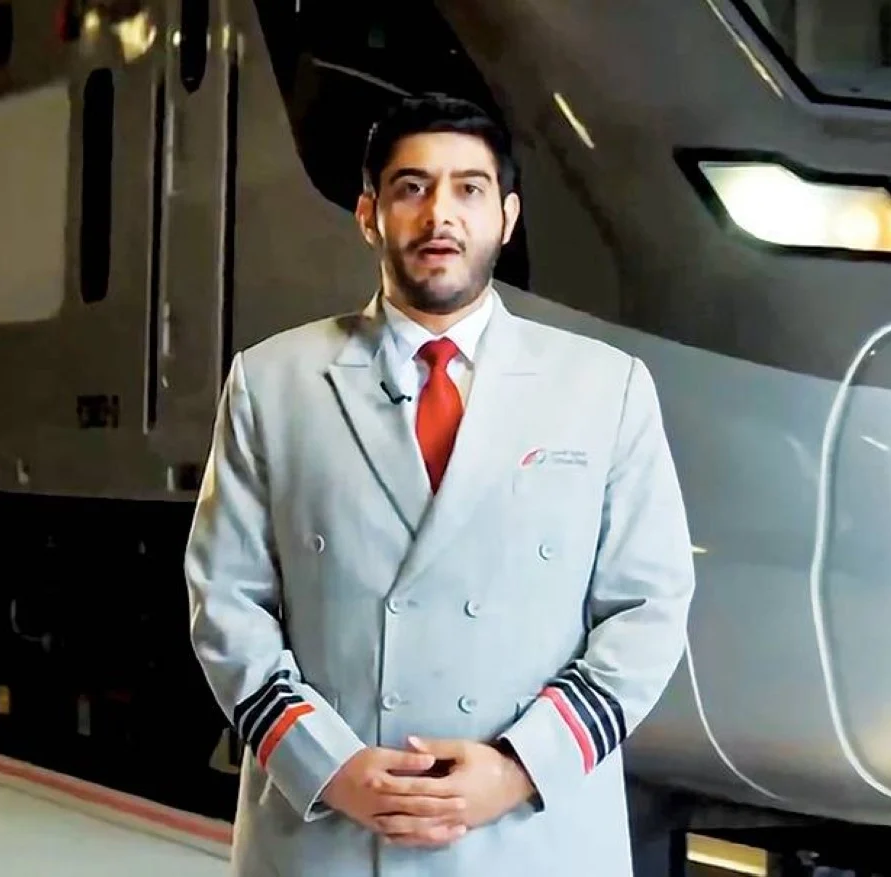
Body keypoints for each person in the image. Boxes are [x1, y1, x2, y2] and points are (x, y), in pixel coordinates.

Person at [183, 92, 696, 877]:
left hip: (532, 837)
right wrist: (329, 766)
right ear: (369, 215)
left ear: (507, 218)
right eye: (411, 188)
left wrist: (519, 766)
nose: (440, 215)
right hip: (328, 834)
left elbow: (649, 610)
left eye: (470, 189)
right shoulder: (272, 382)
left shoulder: (605, 387)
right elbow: (225, 602)